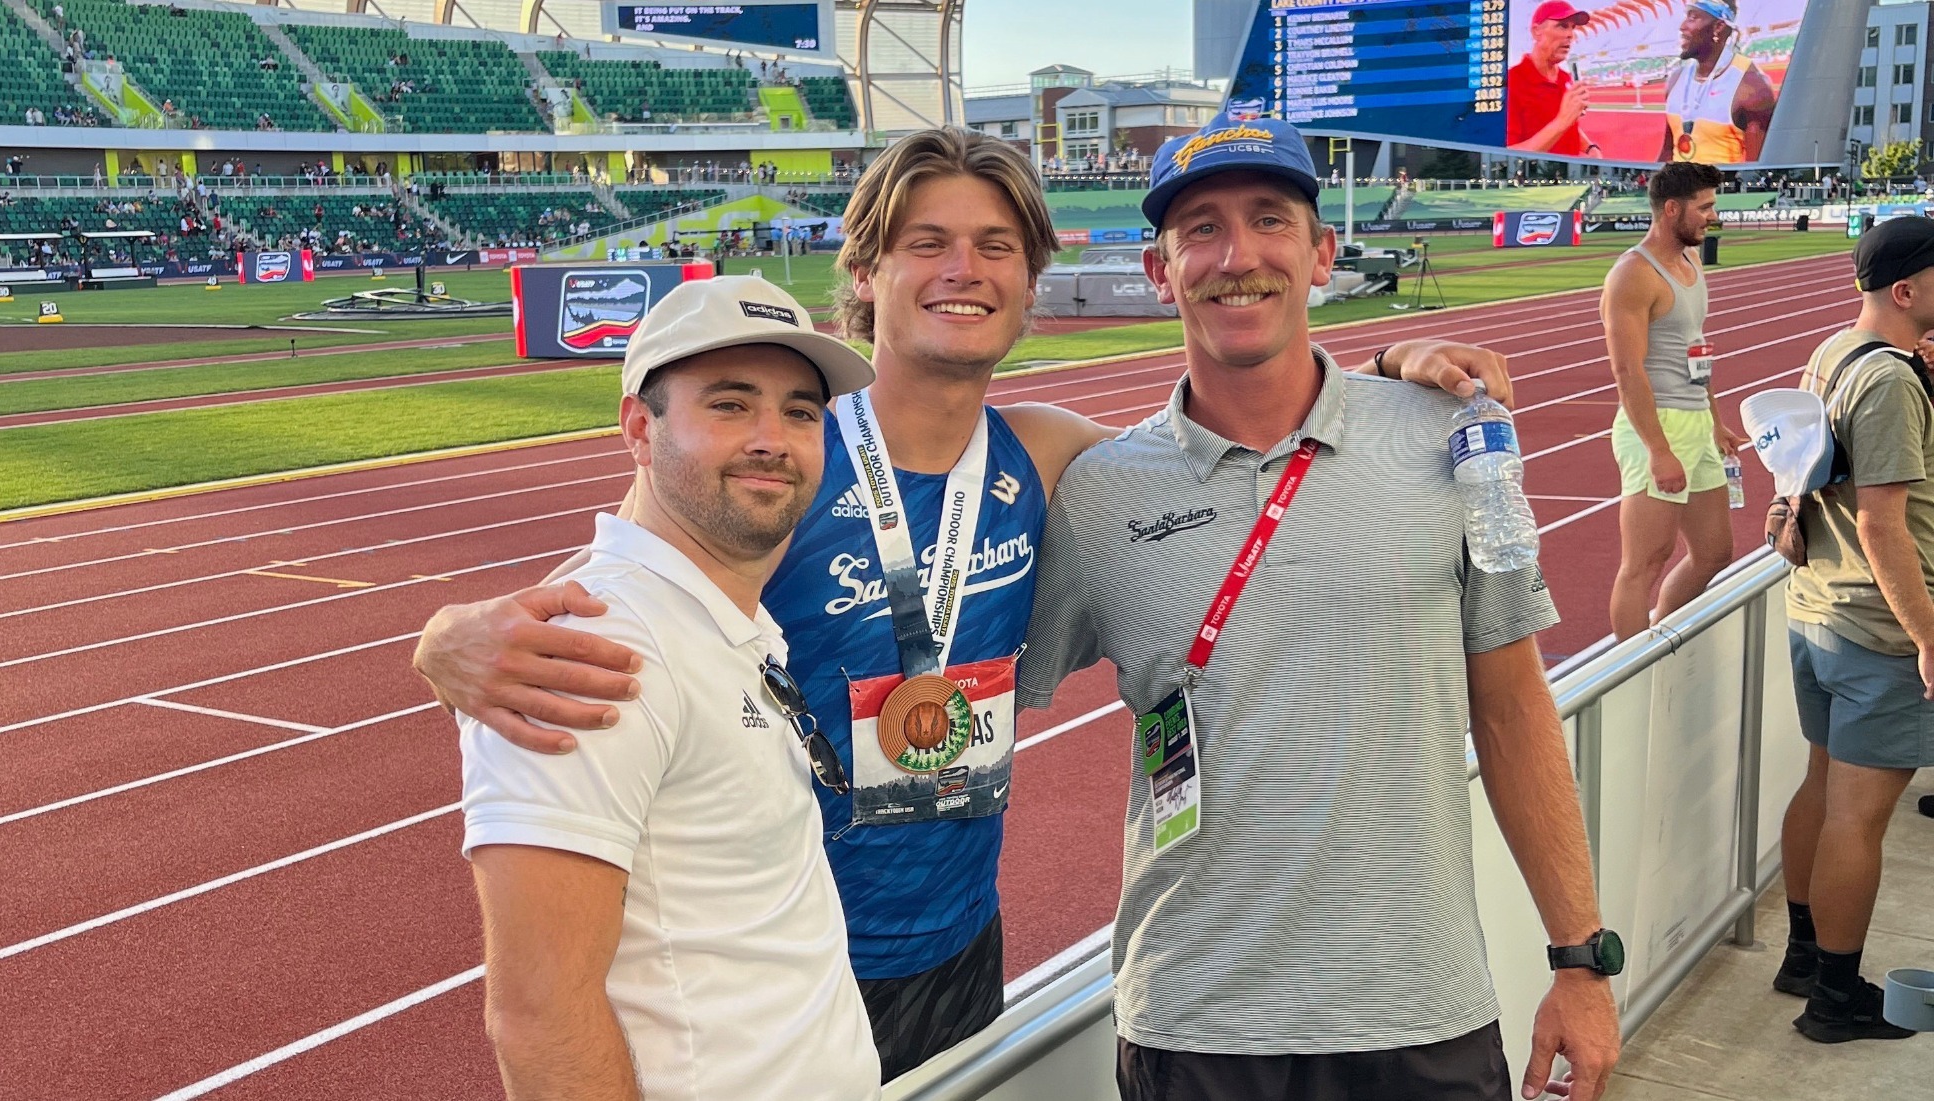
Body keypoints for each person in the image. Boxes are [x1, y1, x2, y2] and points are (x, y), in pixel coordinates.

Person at [415, 127, 1513, 1081]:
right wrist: (445, 642)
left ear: (1029, 283)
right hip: (783, 963)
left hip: (954, 947)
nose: (964, 271)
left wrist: (1382, 372)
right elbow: (624, 577)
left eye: (995, 247)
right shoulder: (785, 455)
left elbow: (1227, 454)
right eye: (927, 244)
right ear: (867, 271)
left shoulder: (1046, 457)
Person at [1018, 111, 1621, 1101]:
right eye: (1200, 230)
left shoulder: (1450, 434)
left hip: (1418, 1015)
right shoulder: (1098, 493)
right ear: (1159, 270)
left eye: (1268, 220)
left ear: (1321, 253)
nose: (1236, 255)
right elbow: (970, 698)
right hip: (1194, 1023)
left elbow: (1512, 709)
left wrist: (1579, 960)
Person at [462, 275, 884, 1099]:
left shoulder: (719, 616)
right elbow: (540, 1013)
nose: (773, 437)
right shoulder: (599, 649)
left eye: (800, 411)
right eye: (730, 405)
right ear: (639, 430)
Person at [1773, 216, 1934, 1043]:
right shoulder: (1895, 382)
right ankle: (1835, 998)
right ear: (1906, 291)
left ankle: (1803, 953)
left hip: (1819, 610)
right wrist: (1930, 637)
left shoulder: (1837, 350)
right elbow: (1883, 524)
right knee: (1857, 818)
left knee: (1822, 784)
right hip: (1879, 630)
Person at [1603, 161, 1744, 641]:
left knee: (1713, 552)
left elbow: (1696, 351)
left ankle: (1659, 631)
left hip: (1695, 423)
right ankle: (1624, 672)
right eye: (1704, 207)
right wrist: (1659, 450)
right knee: (1644, 561)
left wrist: (1716, 420)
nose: (1712, 216)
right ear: (1671, 209)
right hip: (1654, 427)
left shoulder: (1692, 261)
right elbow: (1627, 371)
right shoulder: (1633, 275)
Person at [1659, 1, 1777, 164]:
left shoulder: (1751, 87)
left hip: (1719, 188)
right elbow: (1667, 152)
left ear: (1718, 27)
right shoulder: (1676, 79)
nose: (1682, 27)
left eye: (1693, 18)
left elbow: (1754, 171)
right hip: (1678, 187)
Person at [1507, 1, 1601, 158]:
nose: (1570, 34)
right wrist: (1563, 120)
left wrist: (1590, 148)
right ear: (1537, 31)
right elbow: (1505, 156)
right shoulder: (1512, 83)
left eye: (1573, 28)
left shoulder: (1565, 78)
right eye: (1562, 26)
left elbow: (1568, 126)